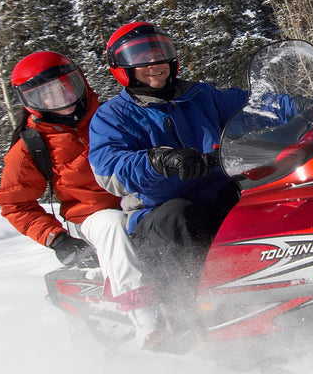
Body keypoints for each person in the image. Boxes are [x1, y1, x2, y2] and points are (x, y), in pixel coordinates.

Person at [87, 22, 251, 338]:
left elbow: (252, 106)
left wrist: (302, 107)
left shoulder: (201, 96)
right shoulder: (113, 116)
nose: (154, 65)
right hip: (156, 213)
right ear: (123, 68)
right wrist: (157, 160)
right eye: (141, 58)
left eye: (159, 54)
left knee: (264, 197)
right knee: (182, 216)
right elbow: (110, 167)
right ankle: (193, 323)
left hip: (220, 191)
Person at [0, 50, 163, 348]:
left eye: (65, 85)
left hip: (141, 200)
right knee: (112, 224)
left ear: (79, 80)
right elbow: (15, 203)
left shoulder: (111, 113)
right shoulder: (31, 145)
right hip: (91, 217)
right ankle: (146, 319)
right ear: (30, 102)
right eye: (44, 95)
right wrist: (56, 238)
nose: (59, 98)